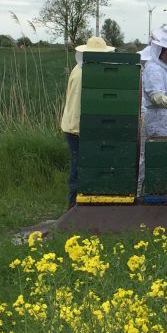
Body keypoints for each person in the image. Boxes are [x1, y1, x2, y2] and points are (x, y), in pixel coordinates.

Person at [60, 35, 115, 208]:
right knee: (79, 167)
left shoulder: (81, 68)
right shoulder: (83, 73)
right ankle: (73, 206)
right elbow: (79, 106)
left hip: (78, 127)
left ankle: (83, 204)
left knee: (84, 165)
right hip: (77, 128)